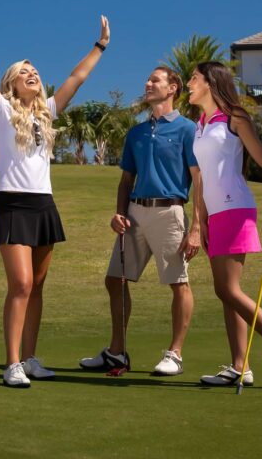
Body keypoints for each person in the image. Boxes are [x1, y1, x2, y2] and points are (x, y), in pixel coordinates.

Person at [0, 2, 110, 388]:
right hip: (13, 205)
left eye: (34, 72)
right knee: (21, 285)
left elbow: (76, 78)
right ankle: (12, 362)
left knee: (38, 287)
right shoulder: (0, 111)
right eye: (23, 73)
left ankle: (30, 358)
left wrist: (99, 46)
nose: (31, 75)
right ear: (12, 84)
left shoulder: (47, 113)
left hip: (44, 206)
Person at [187, 61, 262, 388]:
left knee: (227, 289)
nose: (188, 83)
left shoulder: (235, 118)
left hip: (236, 209)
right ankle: (240, 366)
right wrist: (200, 221)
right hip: (215, 214)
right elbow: (199, 180)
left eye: (194, 79)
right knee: (228, 294)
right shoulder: (200, 124)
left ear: (211, 83)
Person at [79, 67, 201, 377]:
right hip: (134, 214)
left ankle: (175, 353)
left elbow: (199, 181)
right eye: (147, 80)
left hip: (170, 212)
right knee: (114, 280)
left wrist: (197, 228)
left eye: (155, 80)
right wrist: (119, 212)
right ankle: (117, 352)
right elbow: (125, 181)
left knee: (178, 282)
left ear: (173, 88)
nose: (147, 84)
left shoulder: (188, 129)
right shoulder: (136, 133)